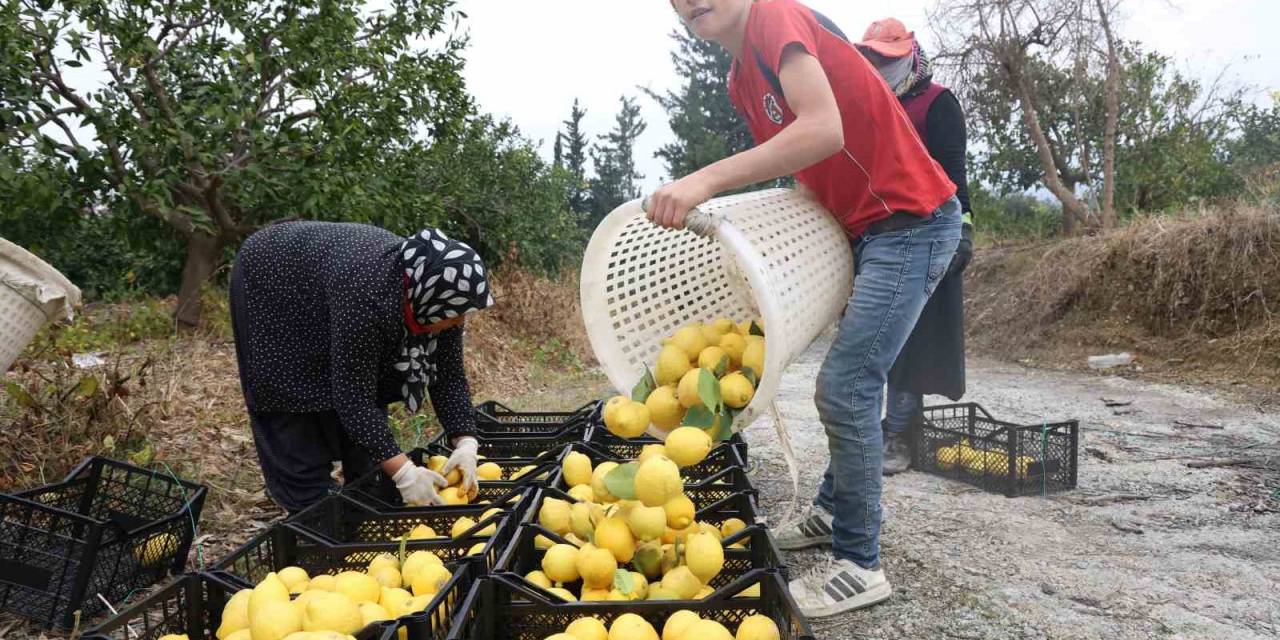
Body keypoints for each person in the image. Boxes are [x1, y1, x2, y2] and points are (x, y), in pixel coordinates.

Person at [652, 0, 962, 617]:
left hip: (911, 222)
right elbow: (806, 169)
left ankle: (859, 563)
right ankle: (832, 511)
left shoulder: (774, 17)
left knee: (846, 385)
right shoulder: (742, 77)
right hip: (865, 232)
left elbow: (824, 128)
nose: (690, 2)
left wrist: (704, 181)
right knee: (853, 379)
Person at [229, 221, 493, 514]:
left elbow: (448, 374)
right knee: (293, 407)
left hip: (331, 285)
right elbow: (353, 397)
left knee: (368, 439)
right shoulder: (369, 295)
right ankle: (311, 514)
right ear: (430, 300)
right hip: (273, 282)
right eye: (456, 316)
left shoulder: (438, 298)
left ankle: (364, 502)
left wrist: (466, 441)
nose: (458, 323)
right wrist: (404, 472)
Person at [856, 18, 974, 476]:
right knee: (884, 339)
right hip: (878, 236)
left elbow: (954, 175)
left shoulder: (936, 104)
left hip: (927, 233)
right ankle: (897, 431)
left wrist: (963, 229)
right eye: (872, 56)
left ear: (908, 53)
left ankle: (897, 436)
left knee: (914, 340)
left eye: (887, 56)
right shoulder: (864, 105)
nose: (878, 64)